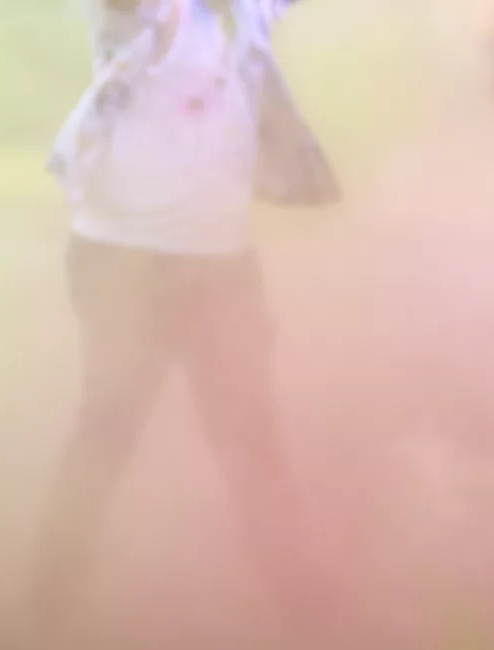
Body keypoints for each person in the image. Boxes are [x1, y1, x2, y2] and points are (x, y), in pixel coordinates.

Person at [29, 0, 340, 644]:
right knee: (106, 432)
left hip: (222, 268)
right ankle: (43, 612)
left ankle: (310, 615)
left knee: (254, 445)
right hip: (123, 260)